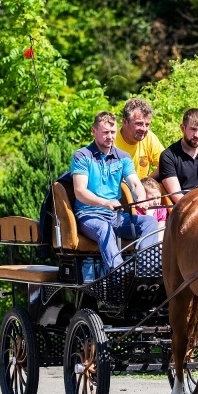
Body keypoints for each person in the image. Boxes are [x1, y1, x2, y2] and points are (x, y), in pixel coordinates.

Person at [72, 111, 159, 271]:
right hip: (89, 216)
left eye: (112, 132)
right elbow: (80, 191)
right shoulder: (82, 156)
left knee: (150, 223)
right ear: (94, 131)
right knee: (103, 227)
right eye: (105, 132)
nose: (110, 136)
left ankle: (146, 271)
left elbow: (135, 183)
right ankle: (118, 273)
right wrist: (104, 203)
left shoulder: (123, 157)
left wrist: (141, 198)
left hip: (115, 216)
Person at [114, 98, 164, 179]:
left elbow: (167, 164)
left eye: (147, 125)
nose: (144, 129)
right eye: (139, 123)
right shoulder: (111, 141)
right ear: (124, 122)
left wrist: (145, 183)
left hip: (141, 189)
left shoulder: (149, 138)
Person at [135, 177, 168, 242]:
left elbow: (161, 229)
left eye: (158, 198)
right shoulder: (137, 211)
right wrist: (148, 215)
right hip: (142, 240)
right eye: (152, 199)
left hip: (157, 241)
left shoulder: (161, 210)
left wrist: (158, 243)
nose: (156, 202)